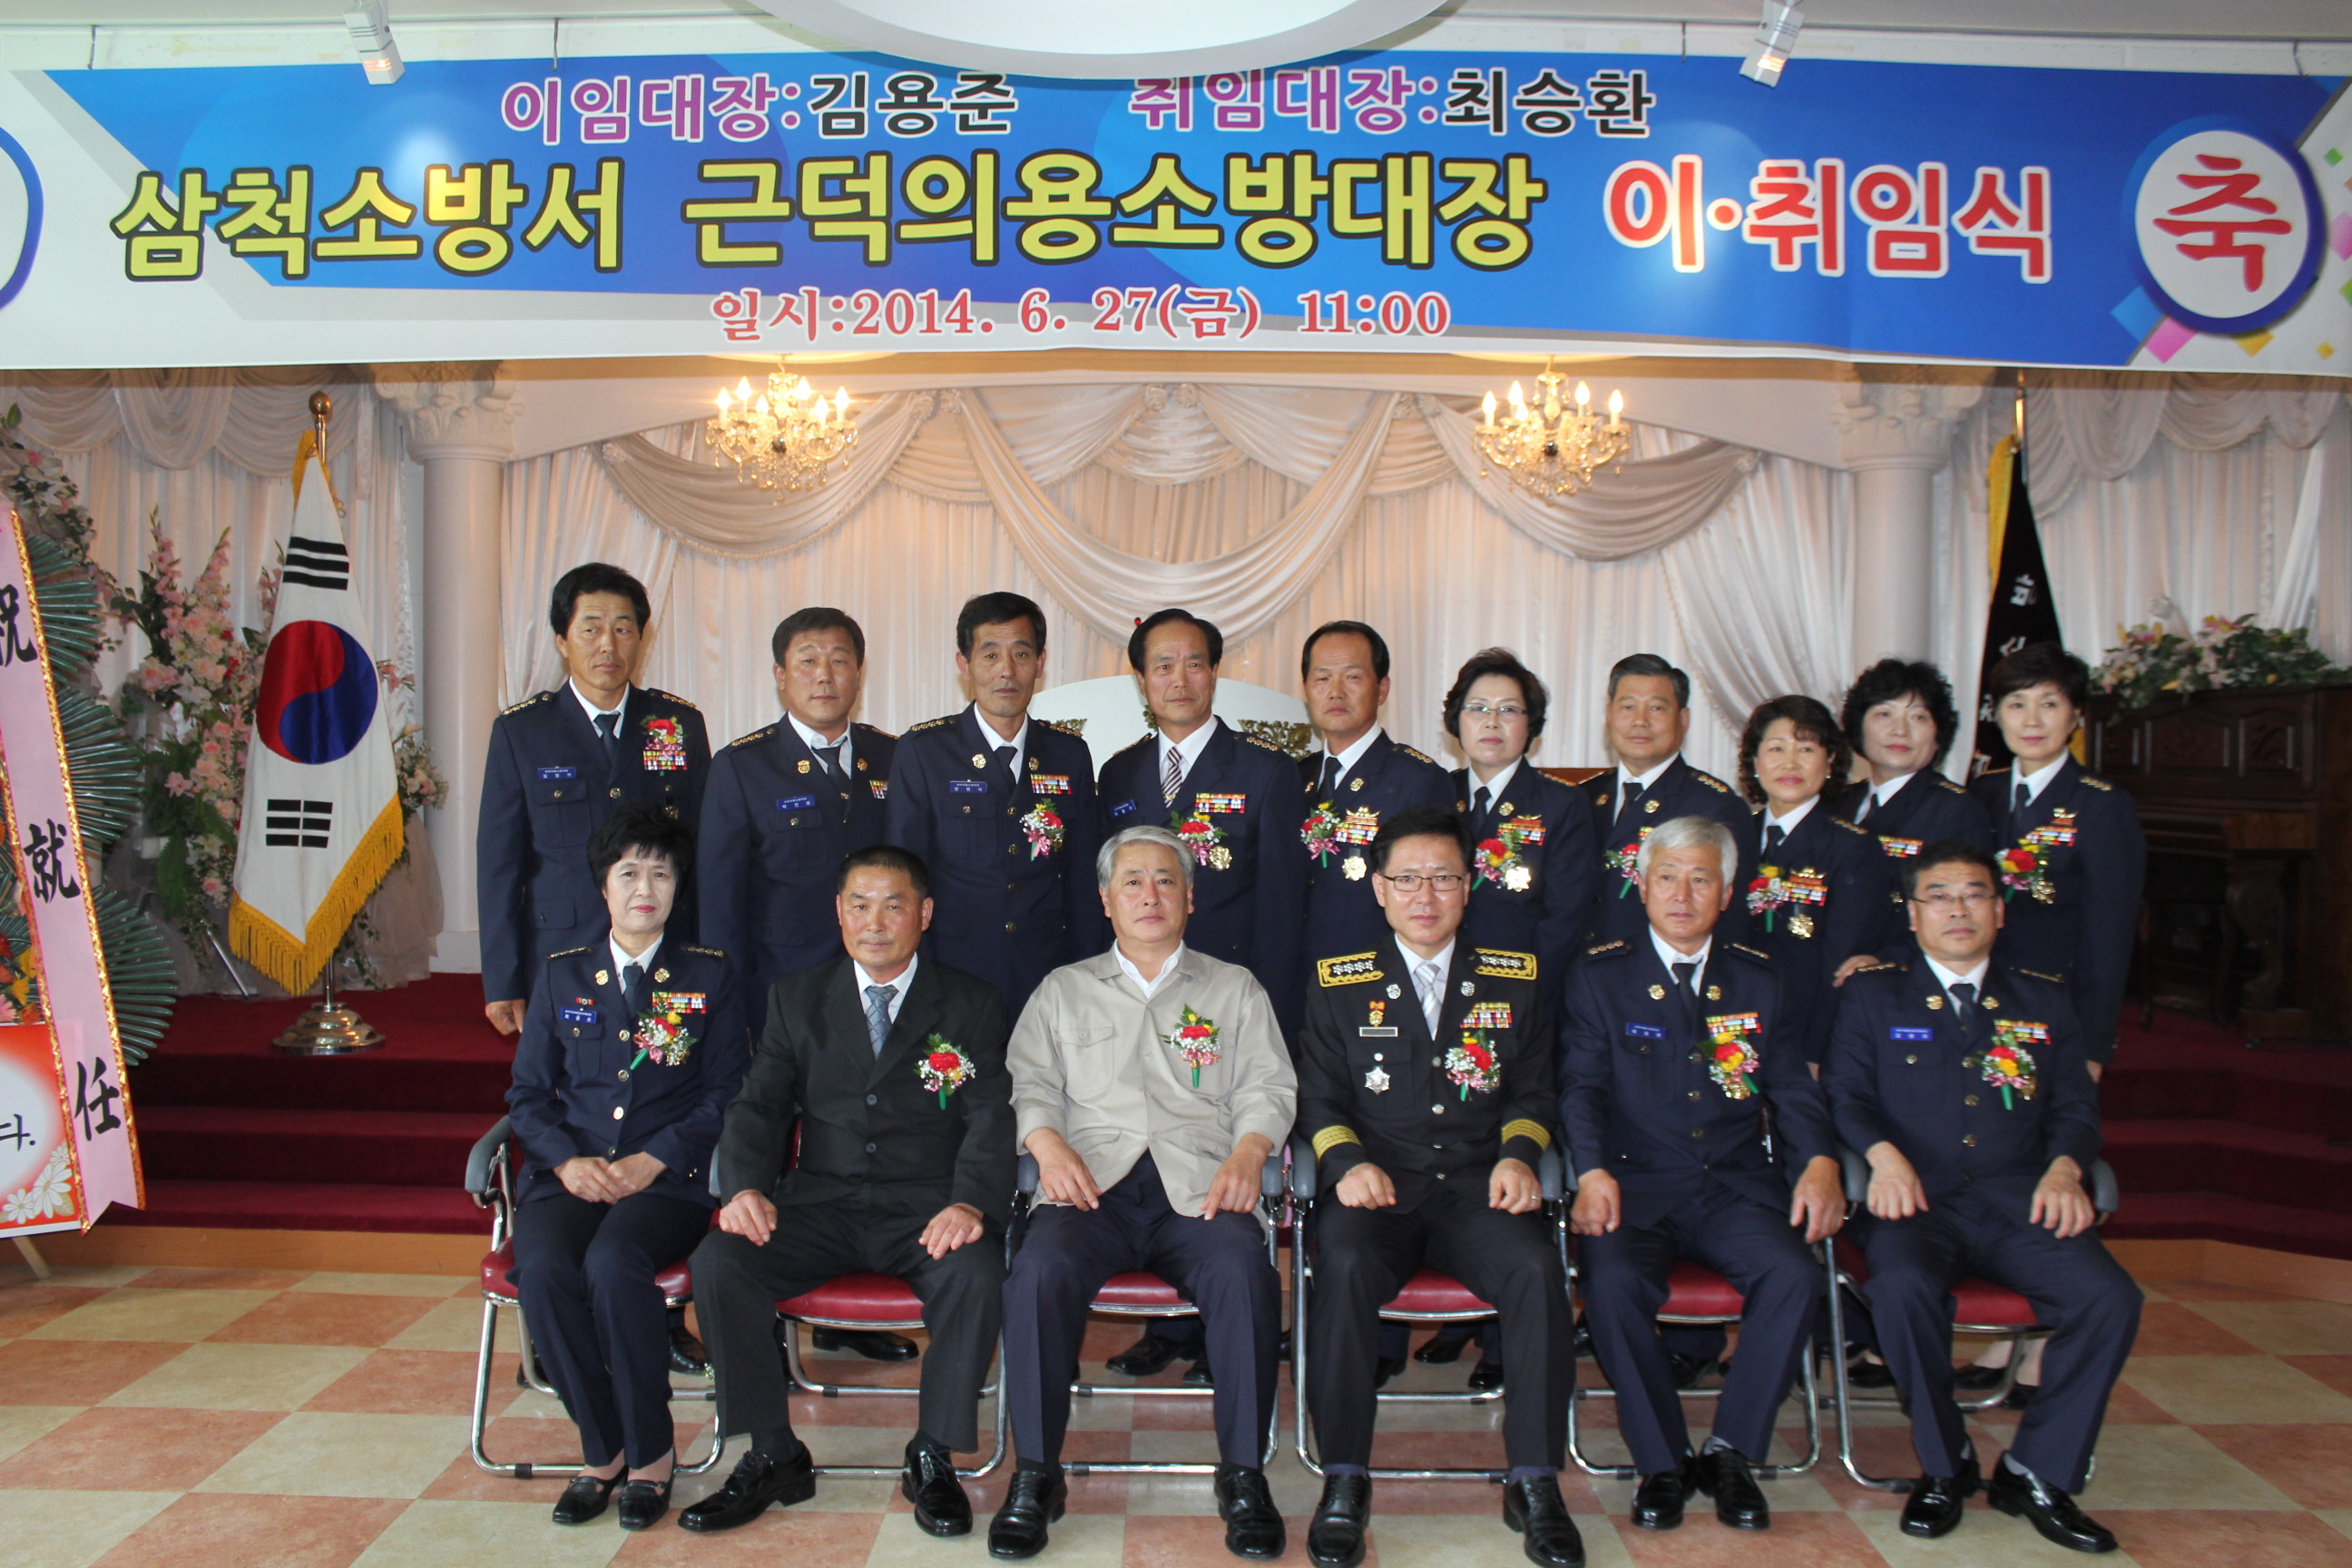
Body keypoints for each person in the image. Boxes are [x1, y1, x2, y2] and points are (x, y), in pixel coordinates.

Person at [682, 845, 1013, 1538]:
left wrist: (970, 1202)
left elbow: (990, 1116)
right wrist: (745, 1188)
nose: (875, 922)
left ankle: (933, 1454)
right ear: (838, 912)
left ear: (925, 913)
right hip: (821, 1203)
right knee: (721, 1262)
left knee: (976, 1273)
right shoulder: (797, 998)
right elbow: (759, 1107)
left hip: (927, 1208)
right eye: (859, 905)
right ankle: (773, 1452)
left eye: (894, 905)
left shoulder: (973, 1002)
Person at [991, 825, 1298, 1563]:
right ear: (1105, 899)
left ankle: (1244, 1474)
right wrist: (1047, 1144)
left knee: (1245, 1273)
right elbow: (1030, 1084)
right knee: (1036, 1273)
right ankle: (1035, 1473)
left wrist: (1251, 1151)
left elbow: (1268, 1087)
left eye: (1166, 880)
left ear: (1191, 897)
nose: (1150, 895)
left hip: (1200, 1189)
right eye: (1132, 881)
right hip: (1090, 1189)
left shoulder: (1234, 988)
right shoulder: (1063, 990)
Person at [1826, 840, 2140, 1553]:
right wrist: (1881, 1158)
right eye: (1939, 896)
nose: (1958, 910)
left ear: (2000, 910)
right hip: (1914, 1202)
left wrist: (2065, 1169)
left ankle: (2037, 1471)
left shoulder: (2042, 998)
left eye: (1974, 895)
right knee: (1901, 1289)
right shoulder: (1873, 995)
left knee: (2110, 1299)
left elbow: (2075, 1107)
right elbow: (1843, 1094)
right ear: (1912, 915)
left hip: (2018, 1200)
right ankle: (1946, 1463)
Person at [1297, 805, 1580, 1568]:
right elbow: (1317, 1099)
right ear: (1379, 889)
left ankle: (1535, 1480)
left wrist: (1520, 1156)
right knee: (1343, 1266)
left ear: (1469, 885)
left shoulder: (1515, 979)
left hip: (1477, 1190)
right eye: (1408, 879)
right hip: (1377, 1189)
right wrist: (1345, 1163)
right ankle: (1344, 1477)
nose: (1426, 896)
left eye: (1444, 878)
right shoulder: (1337, 982)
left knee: (1536, 1269)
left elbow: (1534, 1092)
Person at [1560, 815, 1842, 1534]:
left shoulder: (1760, 978)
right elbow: (1580, 1090)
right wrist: (1589, 1171)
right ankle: (1662, 1461)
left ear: (1727, 892)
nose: (1682, 895)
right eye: (1667, 877)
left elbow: (1792, 1088)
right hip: (1633, 1186)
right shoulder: (1600, 975)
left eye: (1700, 879)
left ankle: (1731, 1452)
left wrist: (1819, 1161)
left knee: (1795, 1275)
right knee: (1612, 1285)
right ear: (1641, 886)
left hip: (1733, 1186)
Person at [505, 803, 749, 1532]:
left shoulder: (708, 975)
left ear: (679, 887)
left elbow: (729, 1091)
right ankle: (601, 1450)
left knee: (613, 1266)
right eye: (630, 873)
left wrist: (657, 1156)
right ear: (603, 886)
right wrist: (566, 1162)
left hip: (666, 1181)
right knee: (543, 1272)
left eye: (661, 874)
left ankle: (650, 1455)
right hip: (570, 1176)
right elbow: (526, 1095)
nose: (646, 889)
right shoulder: (561, 975)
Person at [1093, 609, 1308, 1385]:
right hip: (1142, 1003)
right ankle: (1168, 1327)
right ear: (1141, 680)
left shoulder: (1266, 771)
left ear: (1214, 673)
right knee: (1153, 1152)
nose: (1178, 680)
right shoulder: (1118, 774)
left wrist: (1271, 1013)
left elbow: (1283, 907)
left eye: (1193, 663)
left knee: (1216, 1166)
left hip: (1229, 1006)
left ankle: (1228, 1328)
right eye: (1162, 665)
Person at [697, 609, 915, 1360]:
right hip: (779, 1002)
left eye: (840, 659)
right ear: (780, 675)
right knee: (770, 1157)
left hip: (878, 998)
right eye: (808, 661)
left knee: (857, 1152)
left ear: (860, 671)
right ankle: (761, 1330)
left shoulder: (893, 757)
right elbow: (721, 907)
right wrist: (734, 1017)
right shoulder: (742, 766)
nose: (825, 675)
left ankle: (847, 1320)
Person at [1418, 649, 1596, 1387]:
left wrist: (1502, 1004)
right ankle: (1439, 1324)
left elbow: (1564, 925)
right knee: (1435, 1156)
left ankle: (1499, 1340)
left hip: (1519, 1018)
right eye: (1478, 708)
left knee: (1502, 1163)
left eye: (1509, 710)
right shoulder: (1433, 797)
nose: (1492, 722)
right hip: (1426, 1013)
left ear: (1533, 726)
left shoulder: (1562, 807)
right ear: (1455, 722)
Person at [479, 563, 710, 1037]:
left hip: (663, 950)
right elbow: (499, 866)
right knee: (568, 1077)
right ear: (562, 641)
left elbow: (704, 850)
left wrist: (707, 955)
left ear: (641, 638)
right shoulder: (523, 732)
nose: (608, 644)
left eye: (623, 629)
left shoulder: (675, 724)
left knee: (664, 1069)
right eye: (591, 629)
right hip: (562, 954)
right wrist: (502, 979)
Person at [887, 592, 1104, 1019]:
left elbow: (1083, 878)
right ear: (964, 664)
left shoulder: (1068, 754)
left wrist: (1088, 971)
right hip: (952, 974)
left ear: (1040, 663)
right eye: (990, 655)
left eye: (1021, 654)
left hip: (1046, 971)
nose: (1007, 670)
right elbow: (905, 877)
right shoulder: (925, 751)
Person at [1966, 642, 2144, 1075]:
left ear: (2076, 715)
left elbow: (2109, 937)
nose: (2031, 721)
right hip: (1975, 997)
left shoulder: (2102, 805)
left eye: (2049, 704)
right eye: (2016, 704)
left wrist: (2093, 1045)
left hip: (2054, 1006)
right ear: (1996, 713)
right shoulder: (1981, 793)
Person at [1734, 695, 1893, 1065]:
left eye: (1806, 749)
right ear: (1755, 760)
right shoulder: (1733, 837)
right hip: (1733, 1033)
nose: (1790, 763)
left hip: (1804, 1042)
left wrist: (1816, 1057)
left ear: (1830, 760)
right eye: (1776, 748)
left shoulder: (1853, 848)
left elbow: (1840, 969)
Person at [1297, 621, 1454, 969]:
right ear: (1306, 689)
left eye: (1352, 677)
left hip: (1372, 978)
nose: (1335, 691)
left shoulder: (1418, 780)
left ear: (1382, 689)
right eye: (1322, 678)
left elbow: (1430, 901)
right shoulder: (1295, 777)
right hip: (1295, 976)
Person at [1581, 654, 1750, 952]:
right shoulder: (1584, 797)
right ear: (1609, 715)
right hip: (1579, 971)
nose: (1640, 720)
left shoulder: (1716, 806)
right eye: (1628, 706)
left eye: (1657, 708)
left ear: (1683, 720)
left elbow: (1732, 923)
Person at [1832, 659, 1994, 865]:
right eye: (1884, 714)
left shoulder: (1958, 811)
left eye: (1918, 717)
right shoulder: (1839, 802)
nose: (1900, 730)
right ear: (1858, 727)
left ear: (1938, 735)